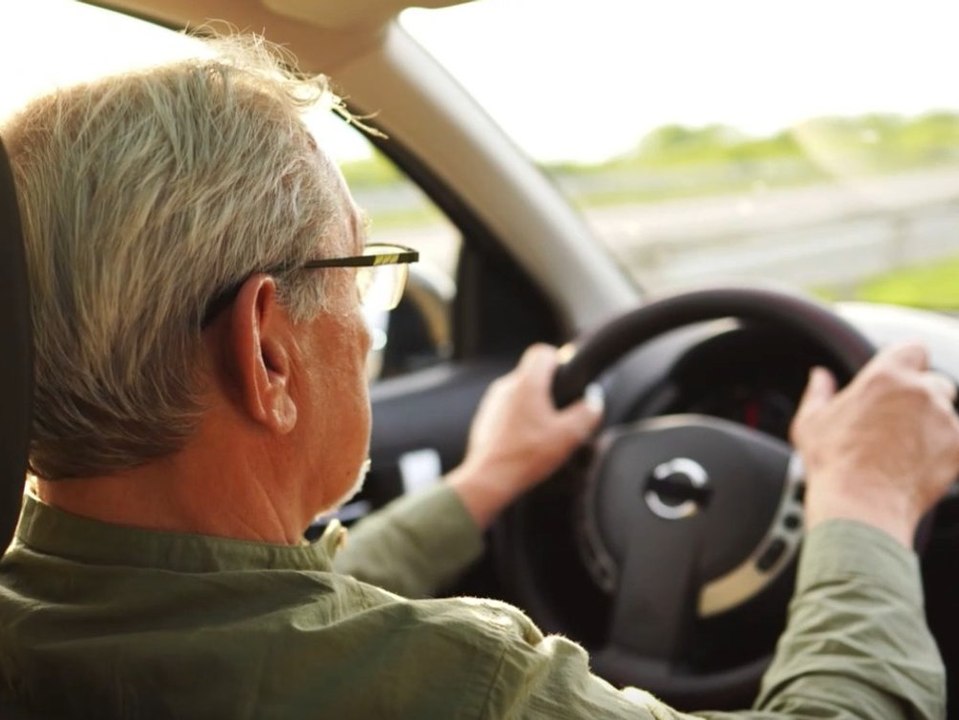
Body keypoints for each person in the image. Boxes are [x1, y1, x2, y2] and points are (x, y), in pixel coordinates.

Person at [0, 35, 956, 720]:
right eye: (358, 272)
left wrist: (483, 483)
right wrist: (863, 498)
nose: (371, 337)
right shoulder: (467, 685)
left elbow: (223, 614)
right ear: (268, 352)